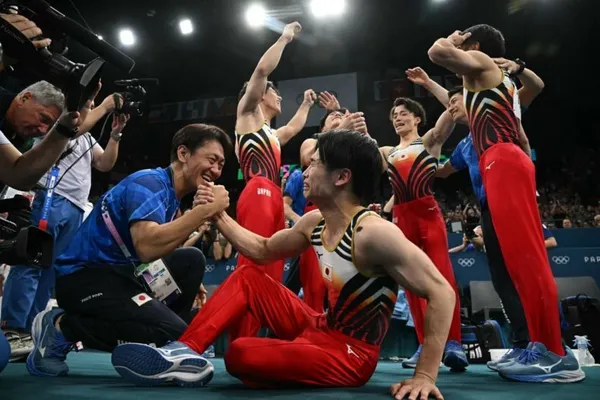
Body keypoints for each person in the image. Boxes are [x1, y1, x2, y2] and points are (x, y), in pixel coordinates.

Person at [111, 130, 455, 400]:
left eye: (314, 164)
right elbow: (261, 250)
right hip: (320, 326)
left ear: (341, 177)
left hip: (351, 354)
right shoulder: (315, 222)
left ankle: (286, 357)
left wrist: (425, 375)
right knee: (249, 276)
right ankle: (183, 352)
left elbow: (442, 292)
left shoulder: (375, 234)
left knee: (241, 354)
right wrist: (217, 215)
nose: (304, 171)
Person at [428, 24, 584, 383]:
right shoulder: (492, 84)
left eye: (466, 44)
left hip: (503, 160)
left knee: (527, 261)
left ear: (474, 46)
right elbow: (511, 120)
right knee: (516, 265)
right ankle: (538, 345)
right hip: (502, 160)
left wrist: (453, 40)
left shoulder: (481, 63)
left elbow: (437, 52)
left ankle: (554, 353)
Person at [25, 124, 232, 377]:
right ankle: (61, 327)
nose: (216, 170)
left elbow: (153, 252)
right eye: (212, 160)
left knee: (191, 260)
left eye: (221, 164)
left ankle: (164, 345)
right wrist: (203, 212)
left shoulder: (171, 196)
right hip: (83, 279)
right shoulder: (149, 183)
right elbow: (146, 247)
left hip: (123, 276)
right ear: (183, 153)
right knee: (175, 332)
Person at [410, 63, 545, 359]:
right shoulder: (465, 145)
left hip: (513, 200)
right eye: (450, 103)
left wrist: (519, 67)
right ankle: (522, 344)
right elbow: (443, 171)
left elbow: (536, 86)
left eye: (456, 101)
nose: (451, 107)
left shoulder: (499, 114)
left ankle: (545, 343)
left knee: (524, 272)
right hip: (488, 210)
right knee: (501, 278)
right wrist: (414, 162)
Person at [1, 97, 129, 361]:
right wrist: (104, 107)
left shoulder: (87, 137)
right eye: (88, 103)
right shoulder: (57, 125)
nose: (90, 108)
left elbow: (104, 163)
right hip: (49, 197)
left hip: (75, 207)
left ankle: (32, 333)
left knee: (50, 272)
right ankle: (12, 328)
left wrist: (115, 134)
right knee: (30, 264)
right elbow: (73, 129)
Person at [233, 21, 316, 339]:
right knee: (253, 264)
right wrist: (284, 38)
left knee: (271, 271)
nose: (279, 97)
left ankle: (254, 340)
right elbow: (261, 71)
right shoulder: (247, 114)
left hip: (273, 198)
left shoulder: (271, 133)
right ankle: (241, 337)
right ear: (259, 95)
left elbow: (294, 128)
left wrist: (306, 104)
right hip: (256, 191)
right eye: (275, 92)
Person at [379, 97, 468, 371]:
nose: (397, 118)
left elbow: (450, 112)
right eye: (394, 115)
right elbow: (360, 150)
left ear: (417, 119)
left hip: (427, 214)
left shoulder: (428, 142)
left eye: (403, 113)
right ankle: (424, 345)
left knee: (443, 277)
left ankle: (453, 343)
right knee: (412, 283)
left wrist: (431, 84)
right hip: (401, 218)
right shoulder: (387, 152)